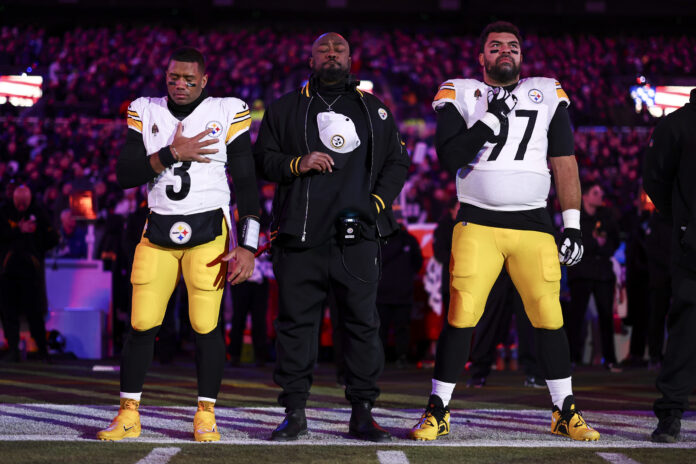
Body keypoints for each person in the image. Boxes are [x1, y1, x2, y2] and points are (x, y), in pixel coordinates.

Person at [409, 21, 599, 442]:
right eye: (495, 47)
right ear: (482, 57)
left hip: (533, 222)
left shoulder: (547, 91)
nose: (504, 52)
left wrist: (573, 225)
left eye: (512, 46)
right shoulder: (459, 91)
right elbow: (449, 157)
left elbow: (564, 161)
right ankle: (438, 409)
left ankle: (564, 409)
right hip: (477, 220)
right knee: (461, 315)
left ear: (522, 55)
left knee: (549, 316)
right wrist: (490, 123)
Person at [96, 48, 260, 442]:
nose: (180, 84)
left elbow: (247, 181)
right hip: (158, 228)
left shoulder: (227, 110)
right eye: (173, 77)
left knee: (205, 324)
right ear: (165, 76)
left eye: (189, 78)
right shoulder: (145, 109)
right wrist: (173, 153)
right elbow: (124, 174)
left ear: (205, 80)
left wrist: (249, 246)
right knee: (141, 323)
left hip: (210, 230)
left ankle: (205, 413)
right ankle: (128, 413)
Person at [254, 32, 409, 442]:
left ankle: (362, 413)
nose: (331, 54)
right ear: (310, 58)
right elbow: (263, 161)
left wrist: (374, 206)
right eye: (323, 49)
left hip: (357, 238)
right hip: (299, 237)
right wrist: (296, 163)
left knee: (361, 325)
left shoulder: (373, 109)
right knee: (295, 326)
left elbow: (397, 163)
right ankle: (294, 412)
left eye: (339, 49)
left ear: (351, 58)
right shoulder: (286, 108)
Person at [642, 88, 696, 443]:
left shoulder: (676, 124)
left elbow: (656, 183)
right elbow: (655, 181)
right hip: (693, 244)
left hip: (690, 237)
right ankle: (672, 411)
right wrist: (683, 222)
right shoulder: (677, 124)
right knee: (686, 329)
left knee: (686, 328)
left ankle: (672, 412)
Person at [0, 185, 59, 362]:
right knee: (8, 312)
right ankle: (13, 349)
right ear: (14, 199)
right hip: (7, 271)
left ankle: (42, 349)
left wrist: (37, 241)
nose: (21, 206)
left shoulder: (39, 213)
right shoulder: (4, 212)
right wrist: (18, 230)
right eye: (19, 203)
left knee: (35, 312)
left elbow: (53, 238)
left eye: (24, 203)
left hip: (31, 270)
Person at [565, 183, 621, 370]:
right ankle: (570, 358)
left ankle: (610, 359)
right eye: (596, 193)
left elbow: (614, 240)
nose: (601, 195)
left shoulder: (606, 217)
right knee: (576, 317)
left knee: (606, 316)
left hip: (602, 273)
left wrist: (602, 247)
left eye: (601, 192)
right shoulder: (576, 218)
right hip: (581, 272)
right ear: (586, 197)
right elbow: (571, 242)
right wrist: (594, 244)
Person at [376, 220, 423, 367]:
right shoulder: (408, 239)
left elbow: (417, 262)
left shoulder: (382, 239)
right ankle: (400, 357)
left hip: (388, 292)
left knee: (383, 328)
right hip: (398, 292)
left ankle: (382, 358)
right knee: (399, 328)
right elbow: (418, 263)